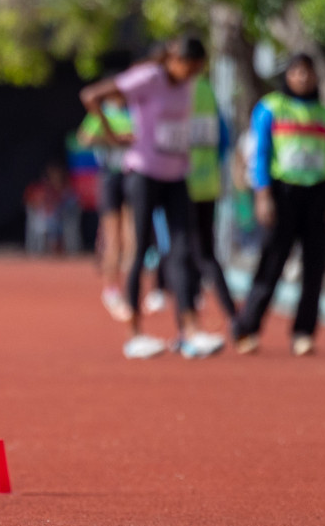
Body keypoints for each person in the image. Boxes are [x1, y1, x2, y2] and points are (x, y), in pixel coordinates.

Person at [80, 37, 225, 360]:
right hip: (143, 174)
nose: (192, 75)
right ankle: (135, 333)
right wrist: (114, 136)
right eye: (189, 68)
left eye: (198, 71)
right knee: (139, 248)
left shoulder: (188, 83)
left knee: (183, 248)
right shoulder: (148, 77)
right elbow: (91, 96)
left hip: (176, 176)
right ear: (175, 60)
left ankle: (190, 331)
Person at [232, 54, 325, 356]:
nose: (303, 78)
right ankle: (249, 328)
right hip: (282, 194)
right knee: (271, 262)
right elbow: (261, 154)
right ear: (287, 76)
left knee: (314, 267)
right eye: (296, 72)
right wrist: (262, 194)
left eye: (308, 73)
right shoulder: (271, 108)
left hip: (317, 194)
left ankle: (303, 332)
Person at [184, 73, 237, 329]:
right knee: (206, 253)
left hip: (180, 186)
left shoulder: (173, 93)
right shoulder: (209, 93)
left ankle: (190, 324)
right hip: (208, 184)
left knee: (184, 253)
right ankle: (231, 315)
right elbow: (224, 141)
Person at [76, 100, 135, 319]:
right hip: (110, 176)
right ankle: (111, 289)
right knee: (113, 239)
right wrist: (114, 140)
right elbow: (84, 138)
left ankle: (131, 290)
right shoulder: (101, 114)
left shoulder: (134, 111)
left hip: (132, 176)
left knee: (132, 238)